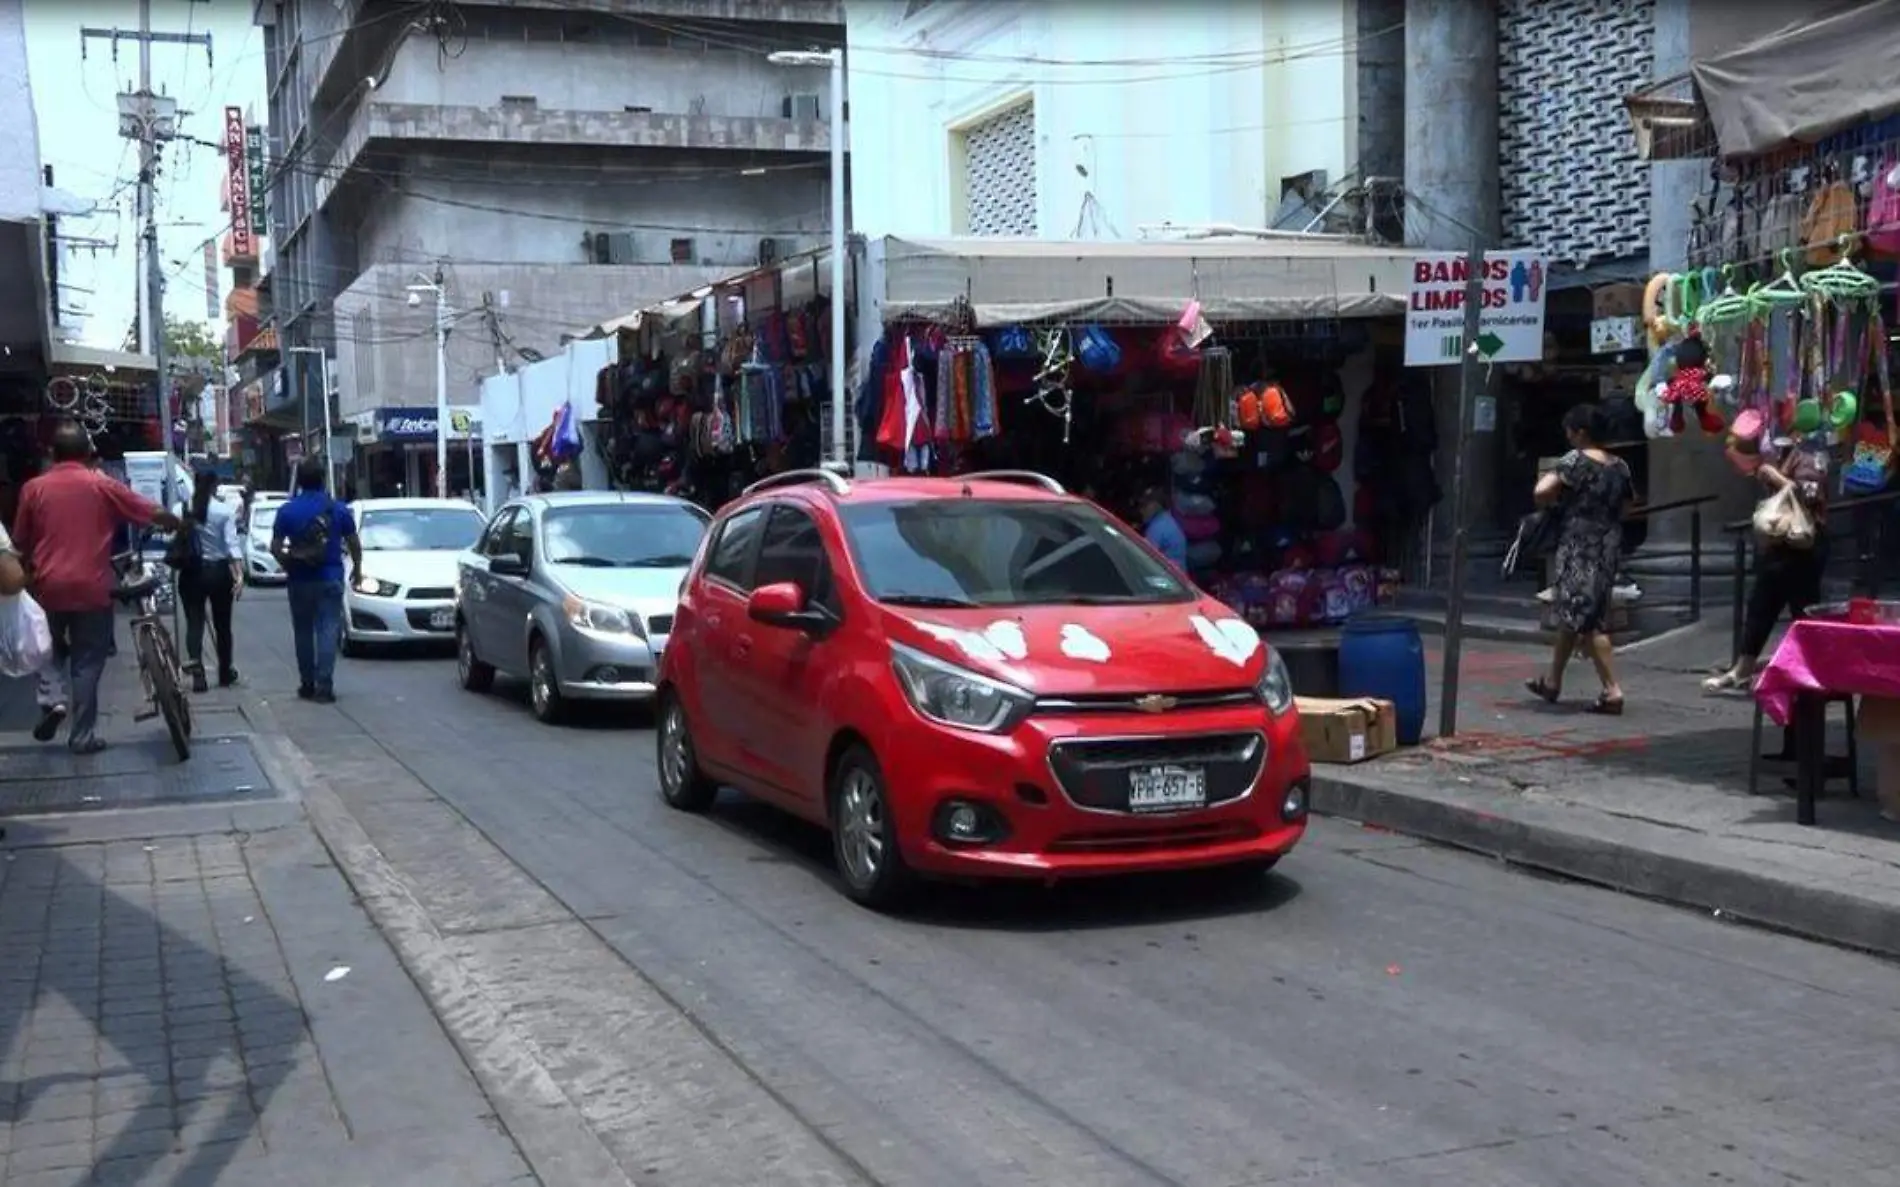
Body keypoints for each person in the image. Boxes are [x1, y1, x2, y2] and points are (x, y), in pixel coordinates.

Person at [10, 422, 181, 752]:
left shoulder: (33, 489)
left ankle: (54, 699)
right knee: (87, 661)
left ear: (51, 453)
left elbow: (20, 541)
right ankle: (82, 736)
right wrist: (177, 522)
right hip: (93, 588)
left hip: (48, 587)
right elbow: (150, 511)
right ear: (89, 453)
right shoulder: (101, 484)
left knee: (48, 649)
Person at [1703, 432, 1834, 694]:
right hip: (1777, 545)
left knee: (1803, 610)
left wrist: (1779, 480)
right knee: (1760, 607)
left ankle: (1809, 669)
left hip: (1803, 546)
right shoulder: (1776, 457)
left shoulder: (1810, 456)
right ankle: (1742, 669)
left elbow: (1811, 494)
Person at [1525, 404, 1633, 714]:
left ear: (1581, 433)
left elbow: (1541, 492)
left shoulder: (1574, 461)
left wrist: (1559, 503)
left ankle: (1612, 690)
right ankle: (1553, 681)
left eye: (1570, 431)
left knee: (1587, 619)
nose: (1568, 436)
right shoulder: (1620, 466)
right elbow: (1628, 506)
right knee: (1574, 613)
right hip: (1608, 545)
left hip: (1578, 546)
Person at [270, 458, 360, 703]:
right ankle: (325, 685)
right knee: (328, 629)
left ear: (299, 481)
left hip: (299, 579)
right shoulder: (338, 509)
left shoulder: (287, 510)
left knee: (302, 631)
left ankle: (306, 683)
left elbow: (275, 547)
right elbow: (353, 543)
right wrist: (358, 570)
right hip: (330, 576)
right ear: (323, 480)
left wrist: (288, 564)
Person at [176, 466, 245, 693]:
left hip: (192, 573)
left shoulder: (182, 509)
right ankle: (225, 672)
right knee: (223, 625)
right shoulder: (224, 512)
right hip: (218, 572)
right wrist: (238, 575)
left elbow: (170, 535)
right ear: (215, 485)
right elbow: (231, 546)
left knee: (194, 625)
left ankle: (198, 675)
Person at [1138, 486, 1188, 571]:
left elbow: (1143, 558)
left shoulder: (1158, 528)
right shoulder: (1166, 519)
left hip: (1170, 578)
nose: (1141, 510)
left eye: (1145, 506)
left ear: (1155, 505)